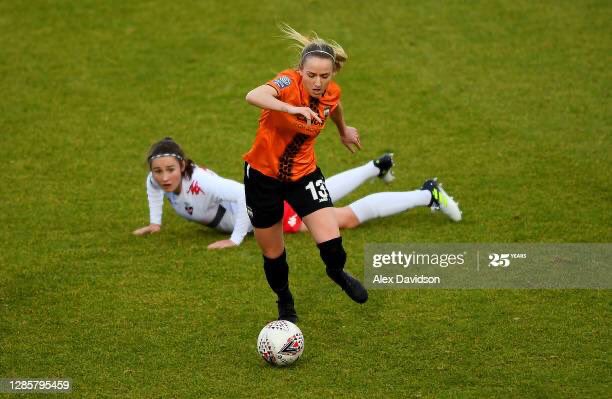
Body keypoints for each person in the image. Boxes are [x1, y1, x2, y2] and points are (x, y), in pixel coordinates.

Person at [241, 25, 458, 323]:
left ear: (332, 75)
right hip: (262, 178)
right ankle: (285, 301)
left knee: (332, 243)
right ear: (300, 71)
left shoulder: (330, 94)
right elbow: (253, 95)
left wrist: (344, 130)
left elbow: (335, 106)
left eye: (325, 76)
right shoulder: (286, 83)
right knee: (273, 252)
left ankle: (336, 272)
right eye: (312, 75)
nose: (318, 83)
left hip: (303, 175)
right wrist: (290, 109)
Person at [134, 139, 461, 247]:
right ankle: (377, 167)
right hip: (271, 199)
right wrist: (156, 222)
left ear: (183, 166)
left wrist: (235, 239)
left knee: (342, 219)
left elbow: (245, 196)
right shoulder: (157, 181)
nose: (163, 177)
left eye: (169, 170)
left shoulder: (201, 183)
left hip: (267, 211)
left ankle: (427, 195)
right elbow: (153, 192)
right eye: (158, 171)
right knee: (320, 195)